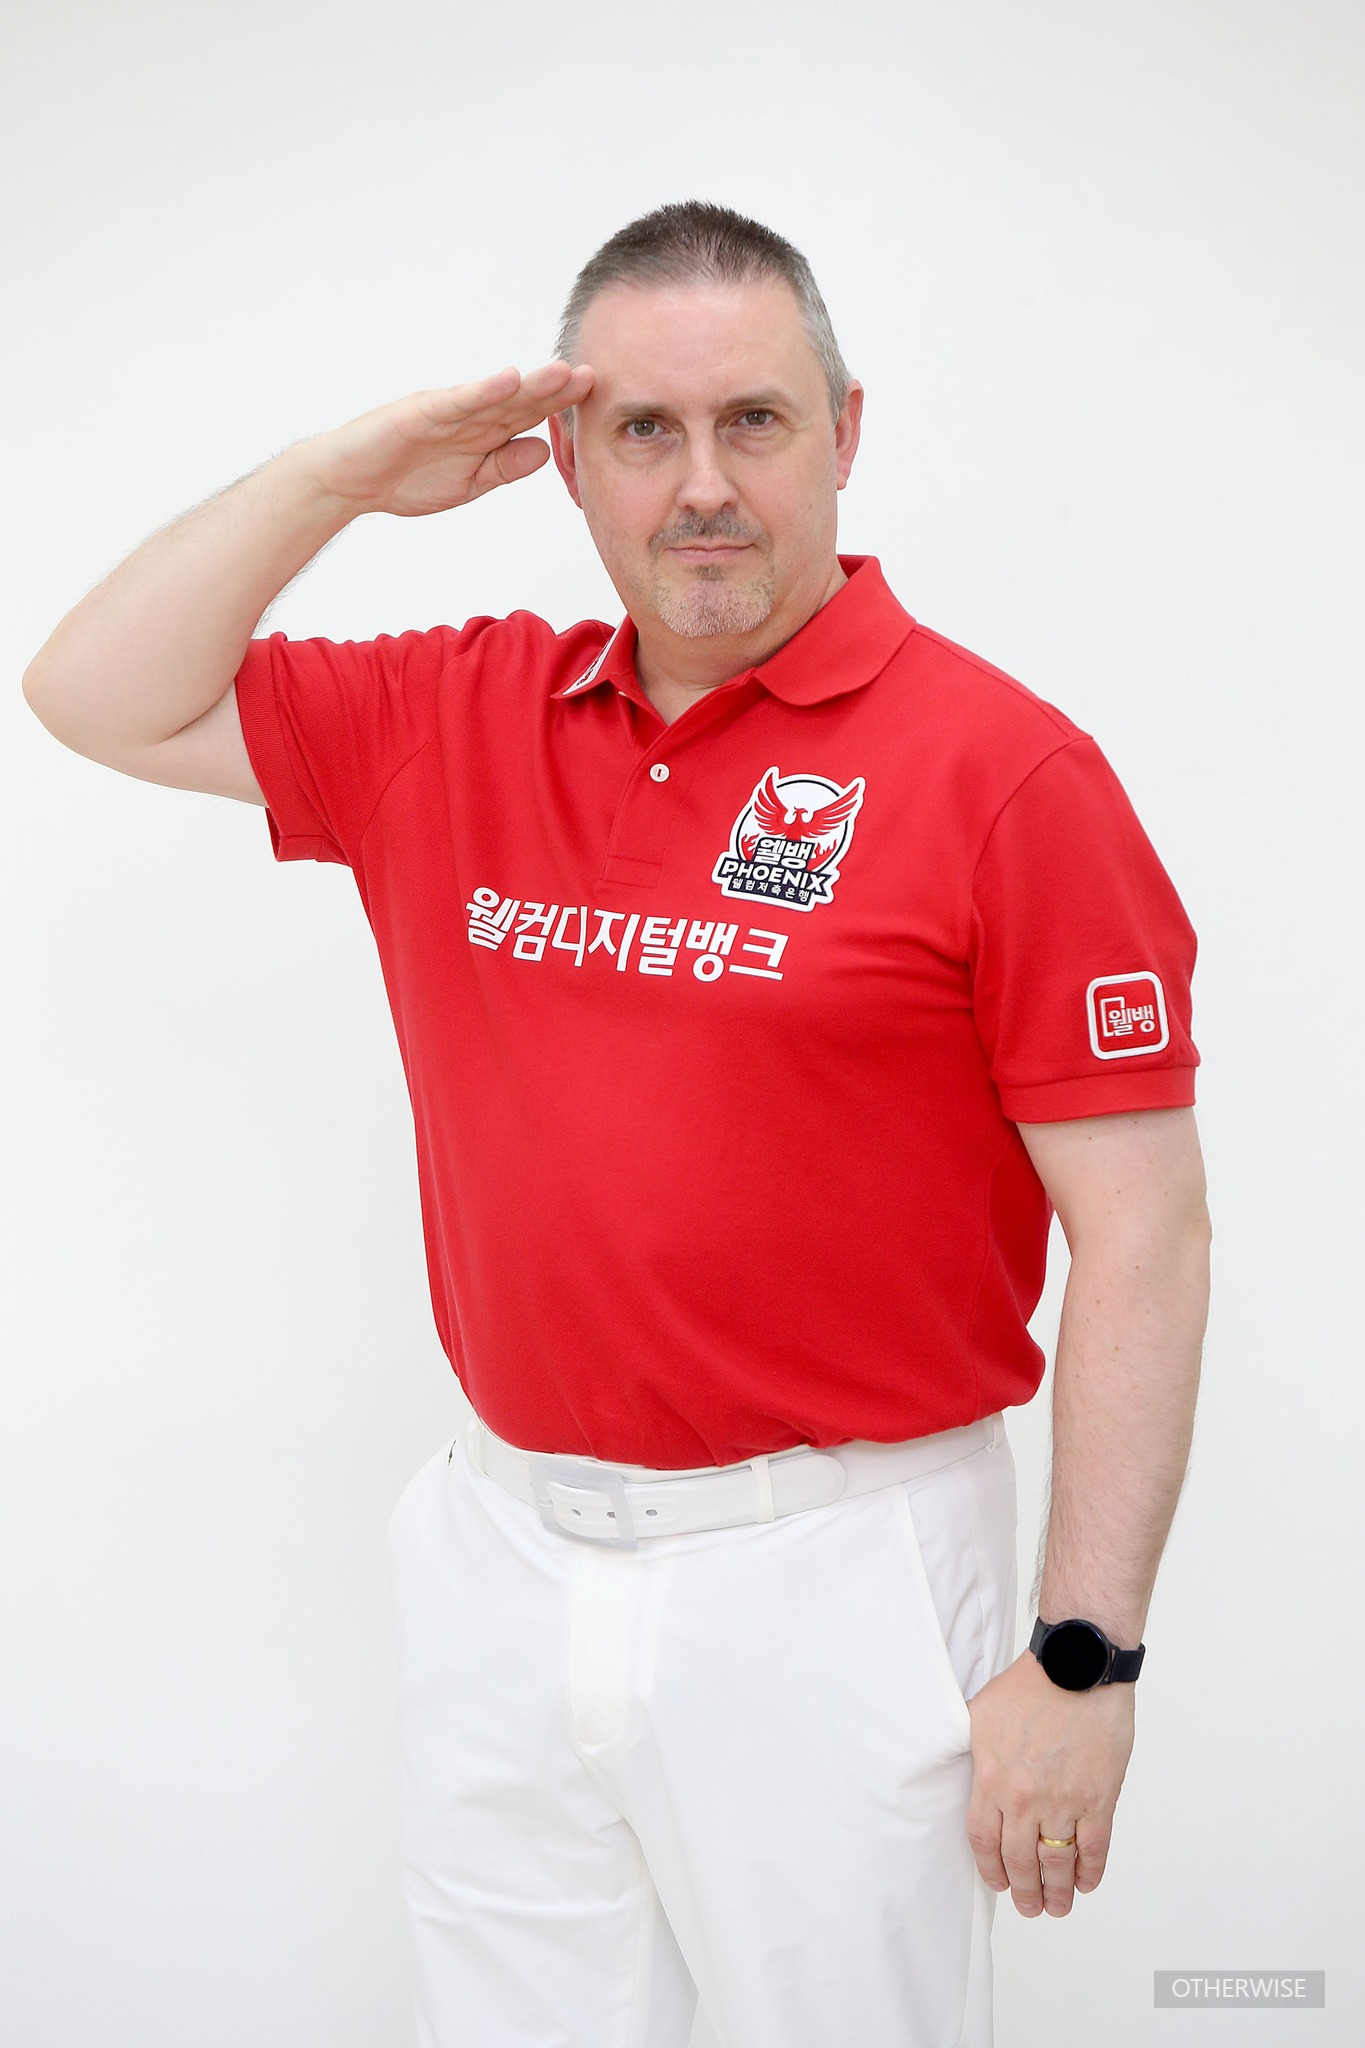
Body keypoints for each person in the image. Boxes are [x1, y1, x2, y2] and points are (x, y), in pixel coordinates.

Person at [22, 199, 1211, 2048]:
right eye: (644, 429)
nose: (704, 485)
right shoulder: (457, 711)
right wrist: (339, 478)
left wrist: (1087, 1656)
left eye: (756, 421)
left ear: (846, 435)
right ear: (567, 458)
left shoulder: (1007, 777)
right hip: (503, 1556)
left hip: (836, 1570)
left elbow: (1146, 1233)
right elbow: (89, 690)